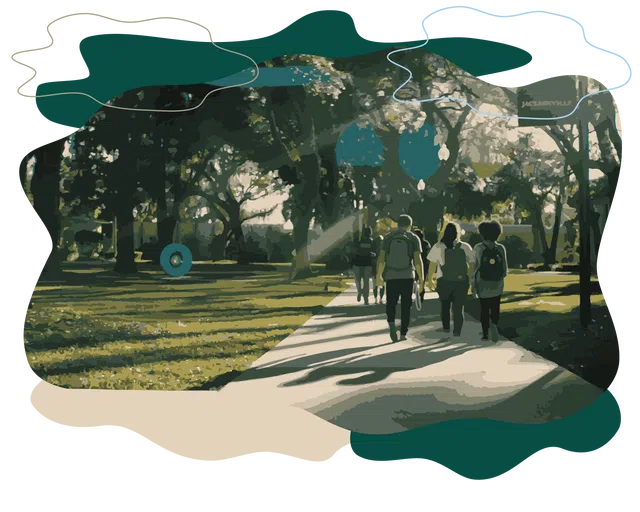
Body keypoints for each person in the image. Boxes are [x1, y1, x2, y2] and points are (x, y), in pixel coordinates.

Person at [377, 215, 424, 342]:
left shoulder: (388, 237)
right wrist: (422, 279)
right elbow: (418, 261)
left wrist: (379, 276)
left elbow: (381, 258)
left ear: (398, 224)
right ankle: (403, 333)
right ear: (410, 225)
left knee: (391, 302)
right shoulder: (413, 238)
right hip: (407, 276)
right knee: (406, 305)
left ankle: (391, 322)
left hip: (391, 276)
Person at [425, 222, 474, 337]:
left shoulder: (438, 246)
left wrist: (430, 280)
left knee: (445, 306)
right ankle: (457, 331)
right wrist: (469, 279)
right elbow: (471, 265)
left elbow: (432, 265)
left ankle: (446, 328)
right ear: (458, 233)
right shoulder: (465, 247)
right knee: (458, 308)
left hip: (443, 281)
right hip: (461, 282)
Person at [472, 220, 508, 342]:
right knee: (495, 306)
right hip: (497, 283)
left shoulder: (478, 248)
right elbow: (505, 269)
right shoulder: (501, 248)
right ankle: (494, 324)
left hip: (482, 282)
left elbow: (475, 267)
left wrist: (473, 284)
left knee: (484, 308)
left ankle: (485, 334)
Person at [352, 226, 376, 305]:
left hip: (359, 264)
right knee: (366, 282)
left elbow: (355, 252)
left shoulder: (359, 241)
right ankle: (365, 297)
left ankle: (360, 292)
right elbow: (374, 253)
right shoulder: (371, 242)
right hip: (366, 264)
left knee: (358, 281)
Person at [413, 229, 431, 302]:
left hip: (415, 263)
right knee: (422, 281)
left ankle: (415, 291)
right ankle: (421, 295)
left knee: (414, 279)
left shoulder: (414, 242)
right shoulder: (426, 243)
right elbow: (429, 253)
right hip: (425, 264)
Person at [372, 234, 385, 304]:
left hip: (383, 270)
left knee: (382, 285)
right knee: (375, 285)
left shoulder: (385, 250)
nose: (380, 242)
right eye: (379, 241)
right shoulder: (374, 251)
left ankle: (381, 298)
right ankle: (376, 298)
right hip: (375, 270)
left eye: (381, 241)